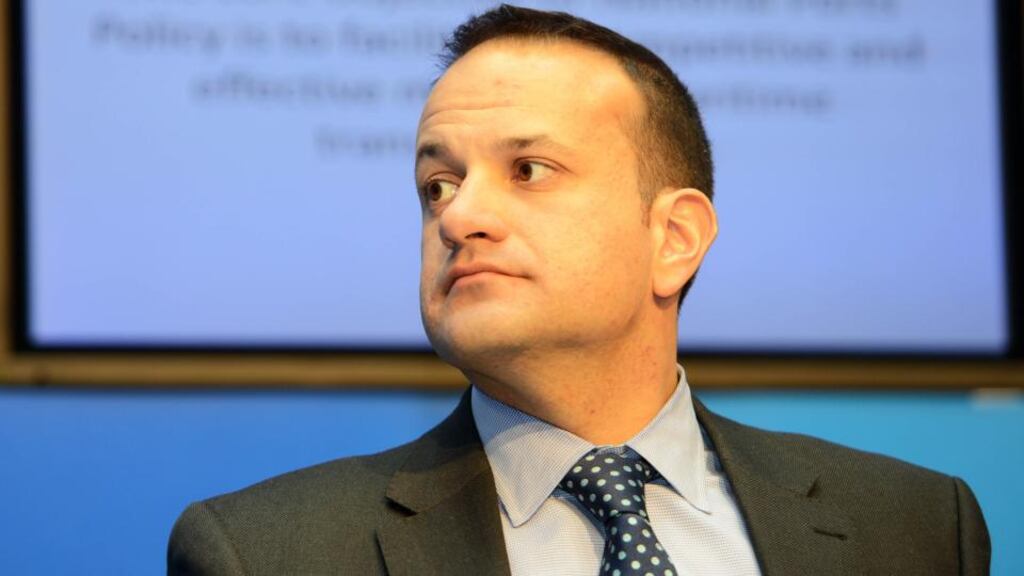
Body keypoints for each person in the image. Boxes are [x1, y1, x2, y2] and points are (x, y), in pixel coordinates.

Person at [168, 5, 990, 575]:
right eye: (437, 185)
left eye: (528, 170)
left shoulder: (914, 525)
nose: (461, 217)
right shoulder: (267, 552)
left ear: (674, 239)